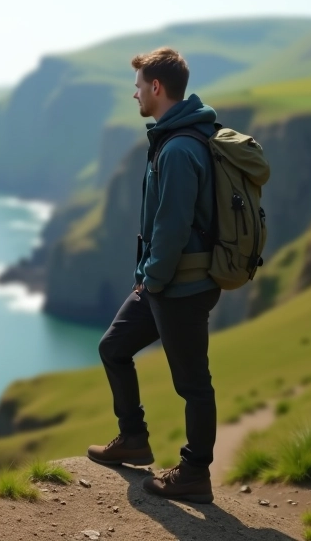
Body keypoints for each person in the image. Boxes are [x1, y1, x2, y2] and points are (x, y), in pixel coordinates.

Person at [86, 47, 221, 503]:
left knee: (193, 383)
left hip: (180, 286)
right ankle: (134, 439)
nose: (135, 93)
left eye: (139, 85)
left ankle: (195, 473)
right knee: (113, 347)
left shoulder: (181, 147)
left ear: (157, 88)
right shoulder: (175, 137)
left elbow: (172, 225)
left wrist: (154, 280)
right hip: (164, 282)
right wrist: (152, 279)